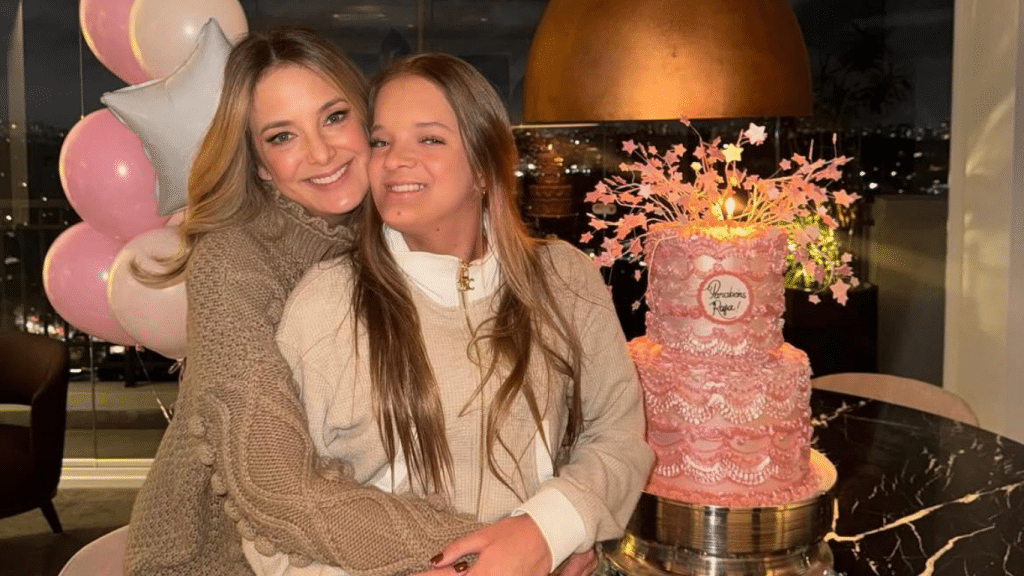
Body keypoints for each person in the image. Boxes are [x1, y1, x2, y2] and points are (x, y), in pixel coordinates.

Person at [275, 53, 654, 576]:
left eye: (429, 139)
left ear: (483, 166)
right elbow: (277, 514)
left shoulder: (563, 280)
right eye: (381, 142)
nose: (396, 160)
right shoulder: (328, 304)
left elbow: (617, 435)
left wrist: (549, 530)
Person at [124, 30, 486, 576]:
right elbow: (273, 487)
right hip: (219, 558)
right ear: (260, 164)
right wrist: (491, 543)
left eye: (334, 117)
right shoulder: (232, 260)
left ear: (369, 123)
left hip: (357, 532)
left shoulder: (395, 226)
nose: (321, 153)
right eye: (282, 136)